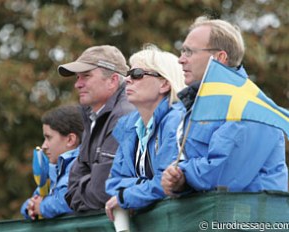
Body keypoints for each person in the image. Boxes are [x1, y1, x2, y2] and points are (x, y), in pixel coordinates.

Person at [161, 16, 288, 196]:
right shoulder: (199, 104)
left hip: (249, 221)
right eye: (182, 51)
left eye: (189, 52)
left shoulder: (247, 106)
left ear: (219, 57)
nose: (180, 60)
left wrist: (182, 175)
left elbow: (224, 174)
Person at [104, 45, 186, 221]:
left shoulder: (176, 121)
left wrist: (128, 196)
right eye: (128, 74)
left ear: (164, 83)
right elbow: (113, 184)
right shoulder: (128, 127)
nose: (127, 80)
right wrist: (142, 188)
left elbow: (165, 183)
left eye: (137, 74)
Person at [57, 45, 135, 211]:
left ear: (113, 80)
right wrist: (87, 184)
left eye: (86, 76)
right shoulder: (93, 115)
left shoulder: (123, 115)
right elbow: (71, 189)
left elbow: (103, 191)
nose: (77, 84)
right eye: (77, 78)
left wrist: (83, 188)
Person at [20, 105, 84, 219]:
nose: (44, 146)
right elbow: (35, 199)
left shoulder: (82, 166)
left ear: (70, 140)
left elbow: (69, 201)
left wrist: (42, 207)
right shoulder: (53, 169)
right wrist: (29, 207)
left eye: (49, 138)